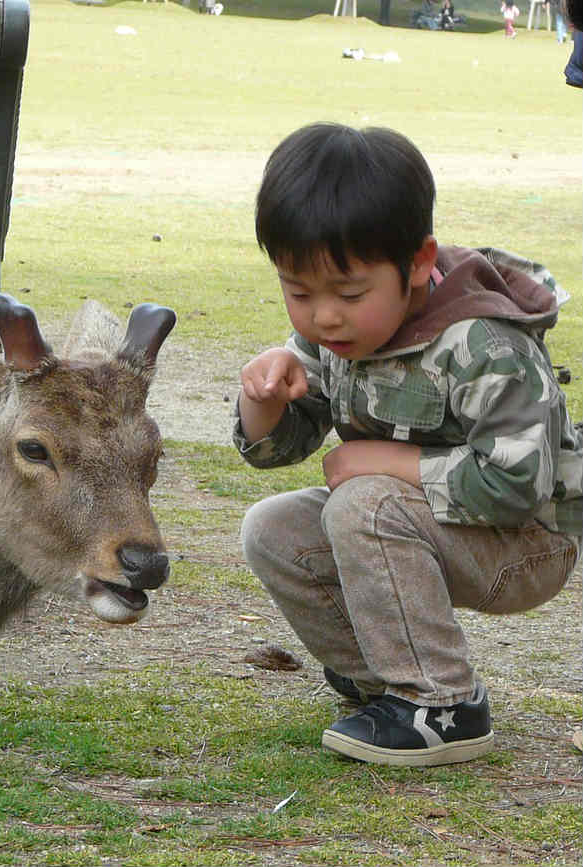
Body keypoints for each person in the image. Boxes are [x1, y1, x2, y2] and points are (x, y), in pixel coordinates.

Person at [235, 123, 582, 767]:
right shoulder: (338, 333)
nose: (323, 317)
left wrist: (387, 461)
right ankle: (380, 681)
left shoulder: (485, 345)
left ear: (419, 263)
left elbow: (517, 486)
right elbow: (283, 444)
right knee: (272, 528)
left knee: (364, 503)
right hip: (422, 521)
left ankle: (443, 704)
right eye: (298, 291)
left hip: (528, 542)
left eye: (349, 293)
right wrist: (265, 401)